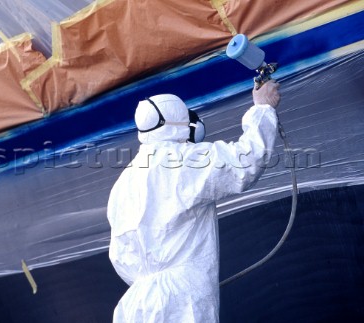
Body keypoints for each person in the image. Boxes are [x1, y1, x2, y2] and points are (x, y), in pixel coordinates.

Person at [107, 80, 281, 322]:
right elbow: (245, 162)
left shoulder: (123, 183)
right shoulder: (183, 161)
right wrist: (262, 108)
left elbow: (120, 255)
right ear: (180, 123)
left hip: (137, 306)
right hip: (182, 301)